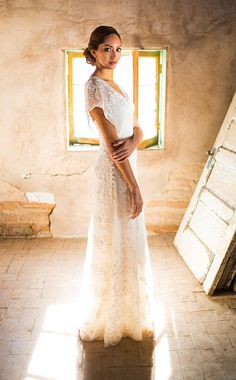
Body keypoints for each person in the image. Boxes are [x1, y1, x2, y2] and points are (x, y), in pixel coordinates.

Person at [78, 25, 156, 348]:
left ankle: (128, 314)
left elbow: (137, 129)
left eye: (118, 49)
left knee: (130, 237)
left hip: (128, 165)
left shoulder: (118, 86)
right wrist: (135, 187)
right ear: (94, 51)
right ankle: (106, 315)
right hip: (114, 174)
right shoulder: (94, 88)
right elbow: (113, 148)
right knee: (113, 237)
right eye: (107, 49)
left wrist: (135, 141)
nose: (114, 55)